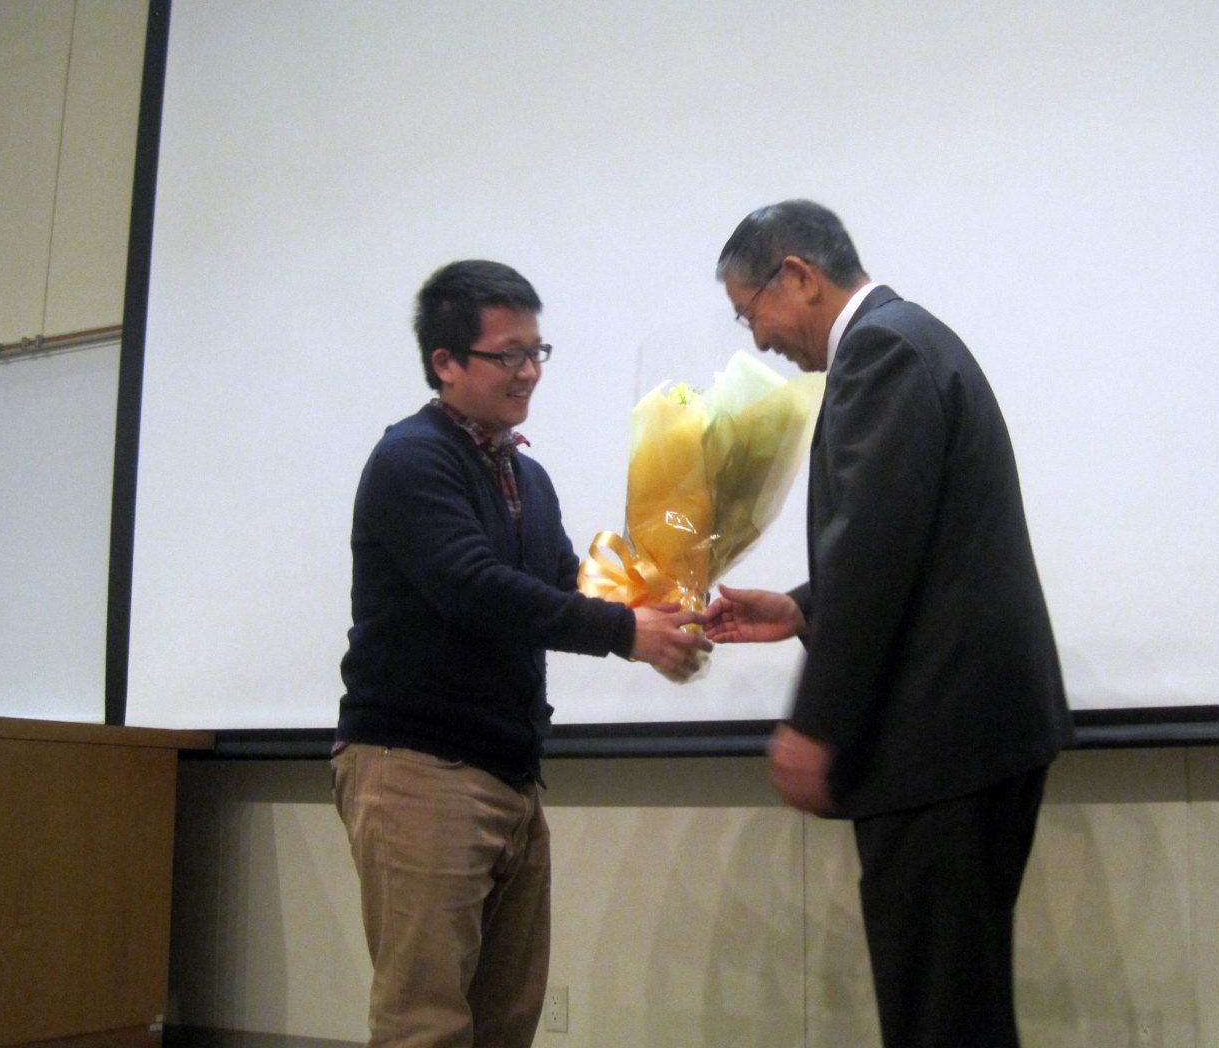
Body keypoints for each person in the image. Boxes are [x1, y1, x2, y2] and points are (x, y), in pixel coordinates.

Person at [703, 200, 1074, 1048]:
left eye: (748, 312)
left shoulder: (882, 351)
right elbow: (909, 538)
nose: (757, 340)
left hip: (939, 744)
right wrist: (802, 607)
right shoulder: (908, 341)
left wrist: (813, 726)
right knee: (960, 1010)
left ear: (798, 277)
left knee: (939, 1018)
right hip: (968, 741)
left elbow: (873, 549)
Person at [333, 260, 708, 1048]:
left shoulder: (526, 474)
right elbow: (474, 588)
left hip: (509, 773)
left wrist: (666, 603)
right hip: (419, 771)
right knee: (424, 1023)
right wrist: (626, 635)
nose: (530, 370)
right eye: (509, 354)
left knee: (507, 1020)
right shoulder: (411, 458)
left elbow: (562, 582)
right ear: (445, 362)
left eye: (537, 351)